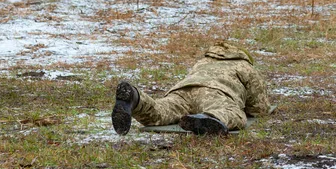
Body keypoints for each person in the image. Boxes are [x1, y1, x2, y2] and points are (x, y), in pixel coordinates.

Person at [112, 42, 271, 136]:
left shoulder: (203, 61)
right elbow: (259, 109)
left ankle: (135, 98)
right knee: (233, 114)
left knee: (160, 111)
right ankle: (207, 118)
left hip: (183, 90)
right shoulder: (245, 66)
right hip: (217, 92)